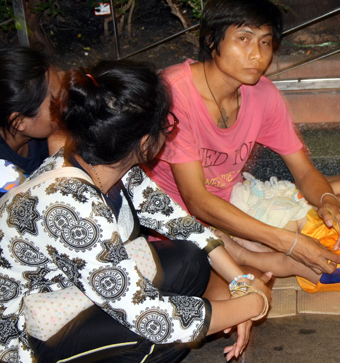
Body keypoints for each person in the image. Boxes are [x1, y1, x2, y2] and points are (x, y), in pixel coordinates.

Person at [0, 60, 271, 363]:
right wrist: (254, 303)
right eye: (167, 124)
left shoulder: (108, 160)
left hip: (68, 294)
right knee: (159, 335)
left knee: (190, 258)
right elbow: (149, 318)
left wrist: (240, 282)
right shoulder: (70, 207)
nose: (170, 130)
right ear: (145, 143)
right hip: (27, 339)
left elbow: (179, 223)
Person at [143, 0, 340, 275]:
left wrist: (327, 200)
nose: (257, 55)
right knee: (235, 285)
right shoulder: (174, 93)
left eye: (265, 42)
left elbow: (304, 171)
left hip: (239, 204)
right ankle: (262, 250)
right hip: (183, 223)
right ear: (211, 41)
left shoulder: (262, 93)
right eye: (243, 39)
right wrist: (289, 242)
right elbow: (197, 200)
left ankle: (266, 246)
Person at [0, 46, 64, 177]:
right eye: (56, 101)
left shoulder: (38, 134)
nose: (65, 104)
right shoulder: (4, 175)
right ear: (19, 122)